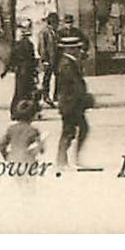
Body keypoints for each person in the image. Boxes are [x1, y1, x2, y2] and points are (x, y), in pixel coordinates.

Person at [54, 32, 92, 169]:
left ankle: (69, 160)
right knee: (69, 131)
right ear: (68, 49)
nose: (78, 50)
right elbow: (73, 85)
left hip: (73, 104)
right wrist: (84, 98)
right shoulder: (66, 64)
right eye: (76, 48)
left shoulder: (70, 62)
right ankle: (63, 161)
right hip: (70, 104)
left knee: (79, 129)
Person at [2, 19, 39, 114]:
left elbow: (11, 59)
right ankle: (22, 111)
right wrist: (35, 71)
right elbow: (32, 59)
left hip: (20, 71)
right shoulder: (29, 45)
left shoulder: (17, 45)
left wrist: (5, 71)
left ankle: (15, 111)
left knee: (19, 92)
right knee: (26, 92)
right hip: (27, 70)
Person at [0, 98, 45, 165]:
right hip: (27, 161)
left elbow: (1, 146)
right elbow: (41, 149)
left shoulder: (11, 129)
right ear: (32, 116)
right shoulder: (33, 131)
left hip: (13, 160)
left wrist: (6, 156)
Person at [37, 12, 60, 105]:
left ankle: (56, 95)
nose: (57, 25)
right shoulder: (44, 32)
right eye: (56, 23)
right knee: (47, 78)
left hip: (56, 59)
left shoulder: (55, 32)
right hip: (48, 59)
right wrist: (44, 59)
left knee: (58, 77)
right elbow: (42, 47)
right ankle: (45, 96)